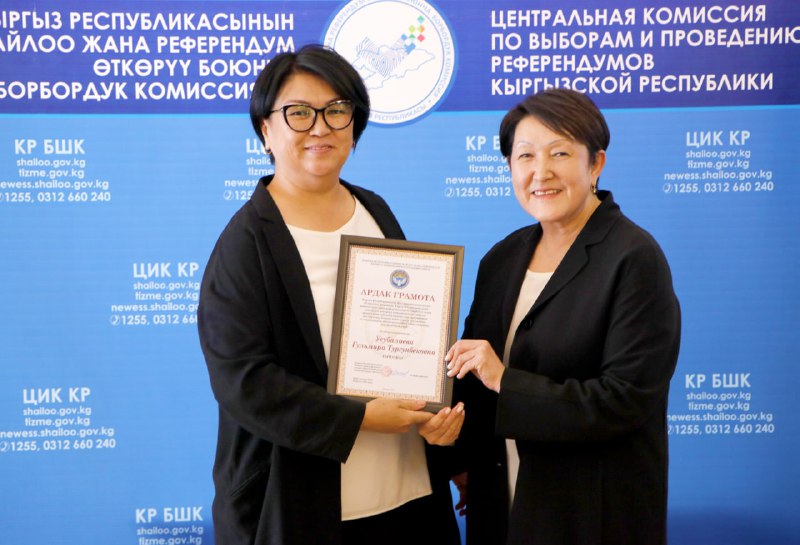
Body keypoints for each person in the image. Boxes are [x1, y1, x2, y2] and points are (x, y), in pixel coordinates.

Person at [197, 44, 464, 545]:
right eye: (299, 113)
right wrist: (358, 419)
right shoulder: (246, 241)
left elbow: (411, 342)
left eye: (336, 110)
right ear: (266, 130)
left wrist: (440, 422)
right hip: (305, 507)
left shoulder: (374, 210)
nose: (320, 127)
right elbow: (243, 381)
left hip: (405, 492)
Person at [445, 88, 681, 545]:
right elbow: (472, 380)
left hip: (590, 515)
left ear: (595, 164)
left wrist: (505, 380)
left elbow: (623, 401)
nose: (541, 172)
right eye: (525, 156)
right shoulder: (501, 259)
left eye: (560, 153)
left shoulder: (634, 258)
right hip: (501, 505)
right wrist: (454, 451)